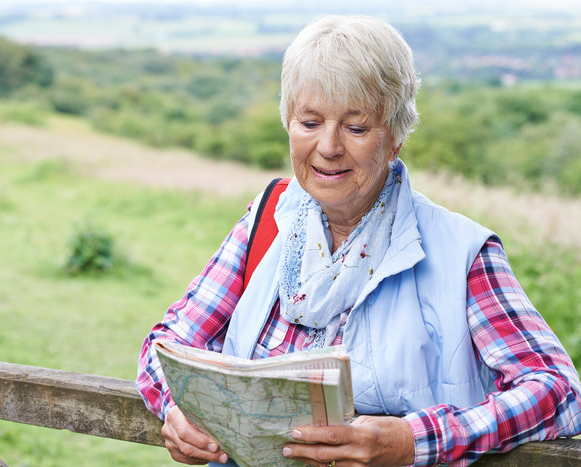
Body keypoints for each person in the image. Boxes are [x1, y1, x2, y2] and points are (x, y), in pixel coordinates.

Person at [136, 15, 581, 466]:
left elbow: (558, 390)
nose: (328, 146)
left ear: (395, 137)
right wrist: (176, 410)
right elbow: (167, 344)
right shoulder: (268, 217)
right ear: (288, 123)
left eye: (356, 127)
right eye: (309, 122)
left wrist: (413, 440)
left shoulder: (461, 251)